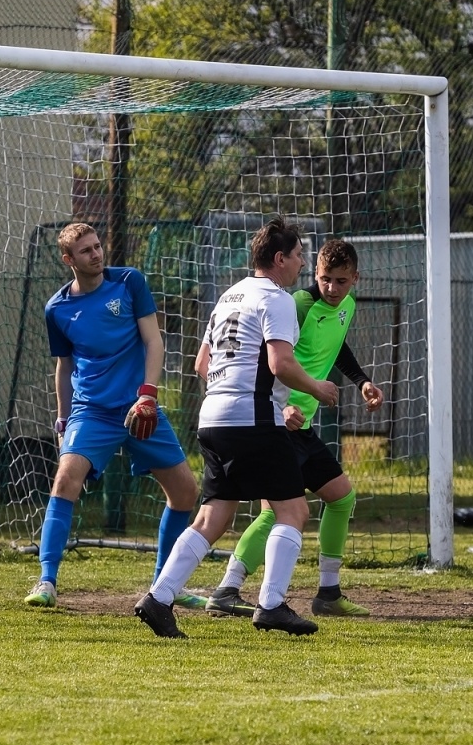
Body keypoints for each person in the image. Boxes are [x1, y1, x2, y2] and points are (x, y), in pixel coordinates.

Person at [132, 217, 339, 639]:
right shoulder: (276, 298)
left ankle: (159, 597)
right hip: (253, 419)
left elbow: (201, 365)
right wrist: (316, 387)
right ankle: (272, 604)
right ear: (279, 259)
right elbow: (279, 364)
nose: (302, 262)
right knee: (293, 510)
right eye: (299, 254)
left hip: (214, 417)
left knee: (213, 515)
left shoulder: (229, 296)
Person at [24, 223, 201, 610]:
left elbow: (154, 342)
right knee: (65, 481)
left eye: (98, 246)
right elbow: (64, 366)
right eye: (86, 250)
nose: (97, 254)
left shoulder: (129, 282)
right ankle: (46, 582)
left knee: (186, 492)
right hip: (93, 412)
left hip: (141, 408)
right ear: (68, 260)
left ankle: (164, 585)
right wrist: (62, 420)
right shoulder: (57, 308)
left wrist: (148, 395)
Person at [206, 237, 384, 618]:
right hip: (277, 422)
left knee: (341, 496)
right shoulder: (298, 305)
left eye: (340, 280)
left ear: (355, 278)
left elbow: (336, 346)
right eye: (324, 279)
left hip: (302, 428)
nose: (332, 289)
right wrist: (283, 405)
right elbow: (270, 359)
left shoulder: (346, 306)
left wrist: (361, 381)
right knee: (276, 511)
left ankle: (328, 592)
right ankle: (227, 589)